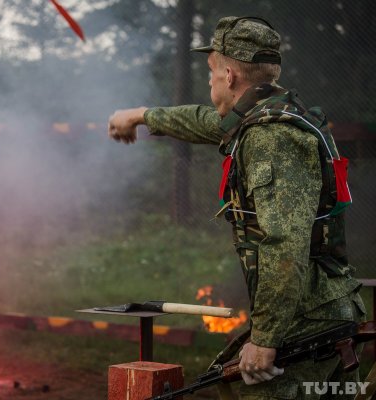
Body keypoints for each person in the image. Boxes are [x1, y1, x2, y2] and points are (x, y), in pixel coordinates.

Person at [108, 16, 365, 399]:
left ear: (228, 76)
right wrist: (143, 115)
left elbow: (284, 244)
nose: (210, 80)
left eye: (211, 71)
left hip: (309, 321)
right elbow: (205, 121)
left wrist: (265, 338)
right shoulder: (269, 116)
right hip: (314, 311)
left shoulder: (271, 139)